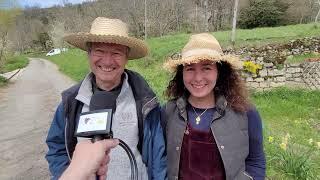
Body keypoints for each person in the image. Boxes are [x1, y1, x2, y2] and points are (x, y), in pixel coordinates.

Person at [46, 17, 166, 180]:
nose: (107, 61)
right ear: (88, 53)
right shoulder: (71, 102)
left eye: (116, 53)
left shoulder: (145, 100)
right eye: (99, 51)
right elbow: (57, 149)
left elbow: (158, 155)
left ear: (126, 57)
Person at [161, 33, 266, 180]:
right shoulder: (169, 111)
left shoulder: (245, 112)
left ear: (219, 72)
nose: (198, 78)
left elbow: (256, 162)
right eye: (190, 69)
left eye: (206, 68)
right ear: (182, 73)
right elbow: (161, 159)